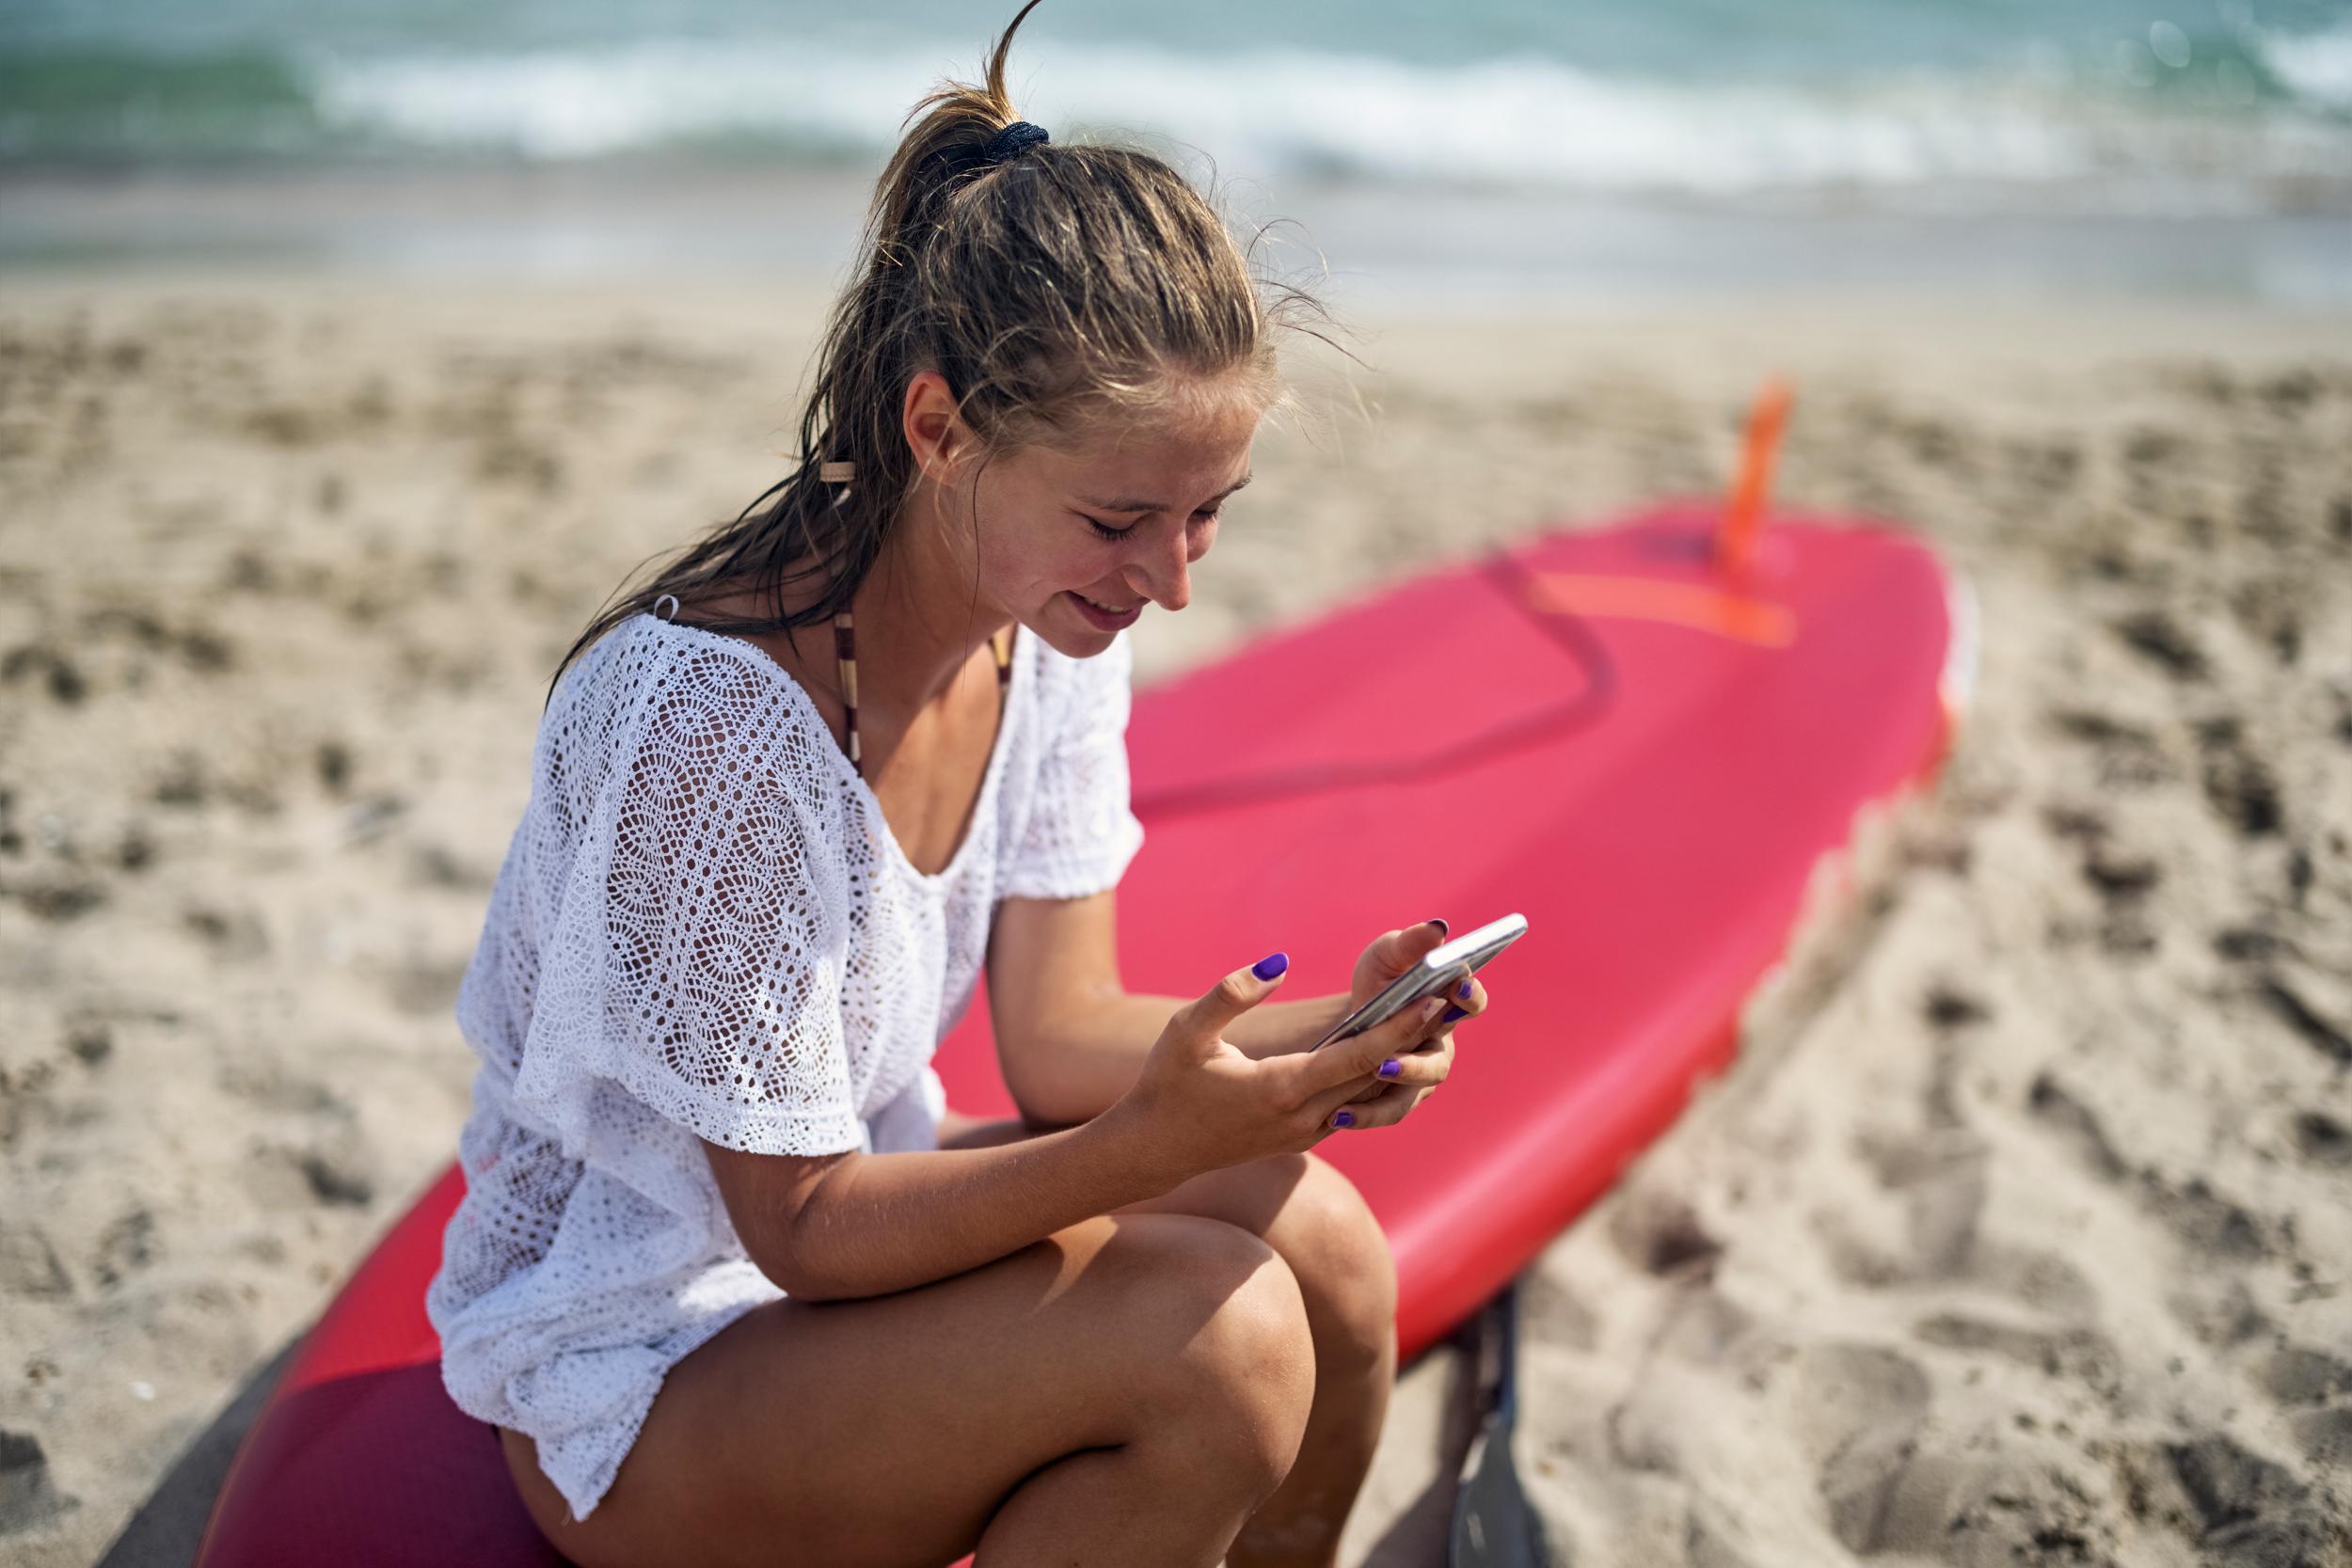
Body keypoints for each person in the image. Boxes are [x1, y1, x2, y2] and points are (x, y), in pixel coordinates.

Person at [423, 4, 1490, 1563]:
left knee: (1326, 1250)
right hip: (639, 1355)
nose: (1170, 583)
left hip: (856, 1235)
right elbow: (796, 1234)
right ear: (940, 426)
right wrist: (1144, 1154)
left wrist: (1335, 1038)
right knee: (1225, 1345)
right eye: (1124, 517)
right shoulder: (705, 731)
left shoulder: (1047, 625)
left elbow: (1060, 1039)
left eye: (1208, 516)